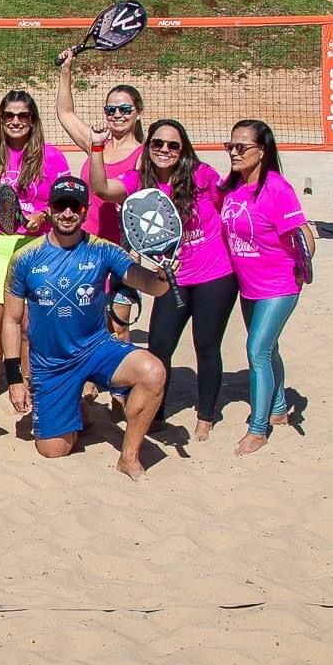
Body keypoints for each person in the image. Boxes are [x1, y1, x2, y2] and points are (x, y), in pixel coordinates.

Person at [2, 176, 172, 480]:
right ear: (50, 209)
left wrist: (161, 277)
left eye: (75, 206)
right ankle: (77, 407)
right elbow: (12, 321)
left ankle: (129, 457)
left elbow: (145, 283)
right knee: (54, 449)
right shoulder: (25, 258)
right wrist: (14, 377)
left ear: (84, 211)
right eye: (61, 205)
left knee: (153, 372)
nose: (68, 213)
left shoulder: (102, 250)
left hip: (96, 349)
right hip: (50, 364)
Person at [87, 119, 236, 439]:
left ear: (183, 150)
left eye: (173, 145)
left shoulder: (202, 175)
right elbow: (101, 188)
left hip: (216, 273)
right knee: (159, 346)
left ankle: (206, 416)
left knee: (206, 345)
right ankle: (156, 414)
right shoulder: (139, 182)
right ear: (148, 147)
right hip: (172, 277)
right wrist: (97, 147)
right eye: (158, 144)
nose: (165, 150)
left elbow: (229, 205)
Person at [220, 119, 314, 457]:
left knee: (257, 350)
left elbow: (303, 235)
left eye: (242, 147)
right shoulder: (231, 187)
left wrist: (305, 267)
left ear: (262, 151)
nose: (234, 152)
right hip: (249, 287)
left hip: (280, 284)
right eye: (230, 146)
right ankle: (277, 407)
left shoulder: (277, 188)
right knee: (269, 349)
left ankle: (258, 429)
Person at [0, 90, 70, 400]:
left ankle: (26, 382)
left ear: (33, 120)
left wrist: (44, 215)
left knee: (28, 325)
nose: (16, 121)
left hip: (36, 244)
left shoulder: (52, 157)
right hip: (0, 243)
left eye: (23, 116)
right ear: (1, 119)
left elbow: (66, 201)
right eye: (9, 116)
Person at [56, 48, 146, 341]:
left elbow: (109, 192)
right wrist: (67, 70)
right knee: (85, 315)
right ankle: (91, 381)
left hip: (120, 250)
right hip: (85, 244)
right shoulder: (97, 143)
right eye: (111, 110)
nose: (117, 115)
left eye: (124, 109)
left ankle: (121, 386)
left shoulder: (143, 156)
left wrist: (135, 250)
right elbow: (65, 113)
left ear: (138, 112)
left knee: (118, 323)